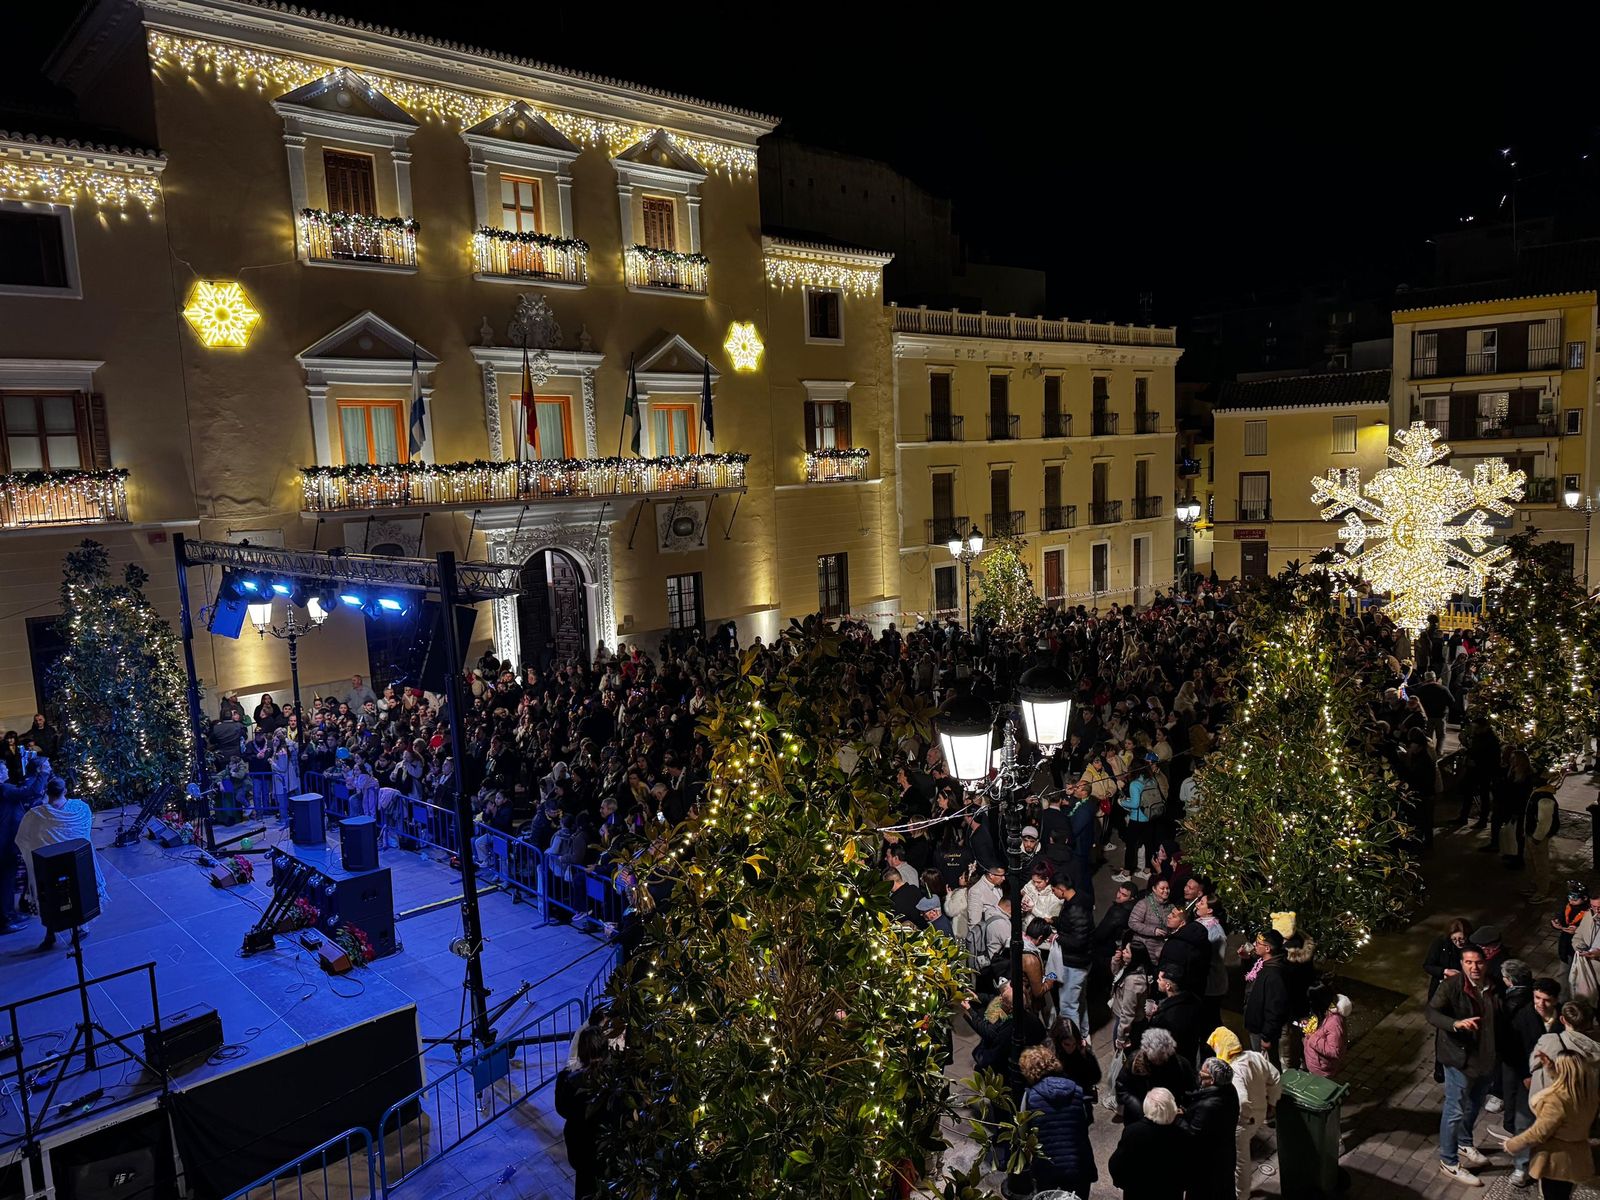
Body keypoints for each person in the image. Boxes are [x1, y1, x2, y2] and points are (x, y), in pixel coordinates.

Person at [1427, 943, 1499, 1185]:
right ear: (1461, 964)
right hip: (1459, 1058)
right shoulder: (1452, 986)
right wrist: (1456, 1023)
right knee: (1454, 1109)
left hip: (1485, 1057)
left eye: (1477, 962)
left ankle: (1464, 1143)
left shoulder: (1493, 984)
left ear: (1485, 962)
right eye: (1468, 962)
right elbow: (1432, 1013)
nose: (1474, 967)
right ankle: (1449, 1160)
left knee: (1475, 1104)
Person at [16, 776, 108, 952]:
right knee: (77, 893)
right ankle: (81, 928)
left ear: (46, 793)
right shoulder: (80, 809)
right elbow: (84, 834)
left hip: (51, 866)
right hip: (76, 863)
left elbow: (24, 839)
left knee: (50, 896)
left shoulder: (36, 815)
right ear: (65, 791)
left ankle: (50, 933)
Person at [1503, 1051, 1600, 1200]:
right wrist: (1551, 1068)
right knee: (1564, 1194)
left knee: (1552, 1195)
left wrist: (1512, 1144)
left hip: (1556, 1160)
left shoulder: (1556, 1100)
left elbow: (1539, 1132)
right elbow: (1567, 1081)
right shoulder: (1588, 1095)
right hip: (1577, 1157)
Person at [1207, 1026, 1282, 1200]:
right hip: (1261, 1111)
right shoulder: (1253, 1056)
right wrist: (1272, 1102)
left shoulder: (1233, 1072)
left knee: (1241, 1161)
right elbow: (1276, 1077)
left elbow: (1241, 1101)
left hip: (1244, 1122)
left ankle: (1241, 1195)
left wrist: (1241, 1120)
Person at [1019, 1045, 1097, 1198]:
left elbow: (1023, 1133)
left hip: (1046, 1166)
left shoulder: (1029, 1097)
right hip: (1077, 1163)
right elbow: (1085, 1121)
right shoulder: (1076, 1090)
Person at [554, 1024, 613, 1198]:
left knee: (585, 1187)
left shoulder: (568, 1080)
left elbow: (562, 1109)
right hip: (607, 1144)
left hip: (581, 1146)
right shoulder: (615, 1078)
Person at [1108, 1086, 1188, 1200]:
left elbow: (1118, 1164)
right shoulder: (1181, 1133)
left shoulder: (1133, 1132)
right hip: (1170, 1193)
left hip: (1138, 1192)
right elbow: (1188, 1167)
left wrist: (1123, 1184)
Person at [1180, 1056, 1242, 1200]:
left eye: (1202, 1074)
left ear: (1212, 1080)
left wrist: (1179, 1119)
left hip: (1208, 1165)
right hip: (1224, 1157)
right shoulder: (1229, 1090)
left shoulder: (1208, 1106)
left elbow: (1192, 1134)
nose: (1199, 1076)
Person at [1115, 1027, 1196, 1123]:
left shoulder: (1180, 1064)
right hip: (1140, 1117)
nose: (1158, 1062)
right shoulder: (1135, 1062)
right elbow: (1121, 1088)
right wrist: (1140, 1109)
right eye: (1154, 1059)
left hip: (1169, 1117)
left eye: (1161, 1059)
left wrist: (1184, 1109)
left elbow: (1191, 1091)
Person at [1242, 928, 1288, 1068]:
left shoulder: (1274, 974)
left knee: (1265, 1064)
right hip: (1256, 1023)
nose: (1254, 945)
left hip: (1262, 1029)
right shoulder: (1263, 964)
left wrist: (1267, 1036)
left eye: (1258, 944)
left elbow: (1274, 1008)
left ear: (1267, 948)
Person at [1301, 984, 1351, 1078]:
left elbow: (1334, 1051)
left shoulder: (1334, 1022)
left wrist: (1312, 1038)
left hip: (1323, 1071)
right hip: (1316, 1065)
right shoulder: (1322, 1013)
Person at [1567, 893, 1600, 1005]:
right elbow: (1577, 936)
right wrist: (1580, 947)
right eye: (1594, 907)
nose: (1597, 911)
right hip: (1586, 973)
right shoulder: (1588, 916)